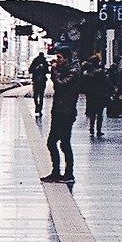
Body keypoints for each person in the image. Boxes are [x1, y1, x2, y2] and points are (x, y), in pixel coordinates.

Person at [44, 56, 80, 187]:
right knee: (52, 142)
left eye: (59, 57)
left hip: (66, 112)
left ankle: (69, 174)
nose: (57, 60)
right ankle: (56, 172)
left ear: (66, 58)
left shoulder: (73, 71)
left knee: (64, 144)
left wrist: (54, 71)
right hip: (59, 111)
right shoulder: (64, 70)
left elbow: (61, 85)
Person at [81, 50, 108, 138]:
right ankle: (98, 130)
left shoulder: (87, 72)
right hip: (99, 94)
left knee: (92, 113)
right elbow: (105, 82)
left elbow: (83, 83)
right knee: (100, 113)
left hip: (90, 95)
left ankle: (91, 128)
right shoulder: (100, 71)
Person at [28, 49, 49, 124]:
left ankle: (39, 108)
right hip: (39, 81)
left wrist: (41, 68)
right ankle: (38, 107)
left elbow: (46, 70)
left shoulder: (40, 61)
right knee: (39, 96)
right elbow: (30, 70)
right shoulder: (38, 61)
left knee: (37, 95)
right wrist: (37, 68)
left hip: (39, 81)